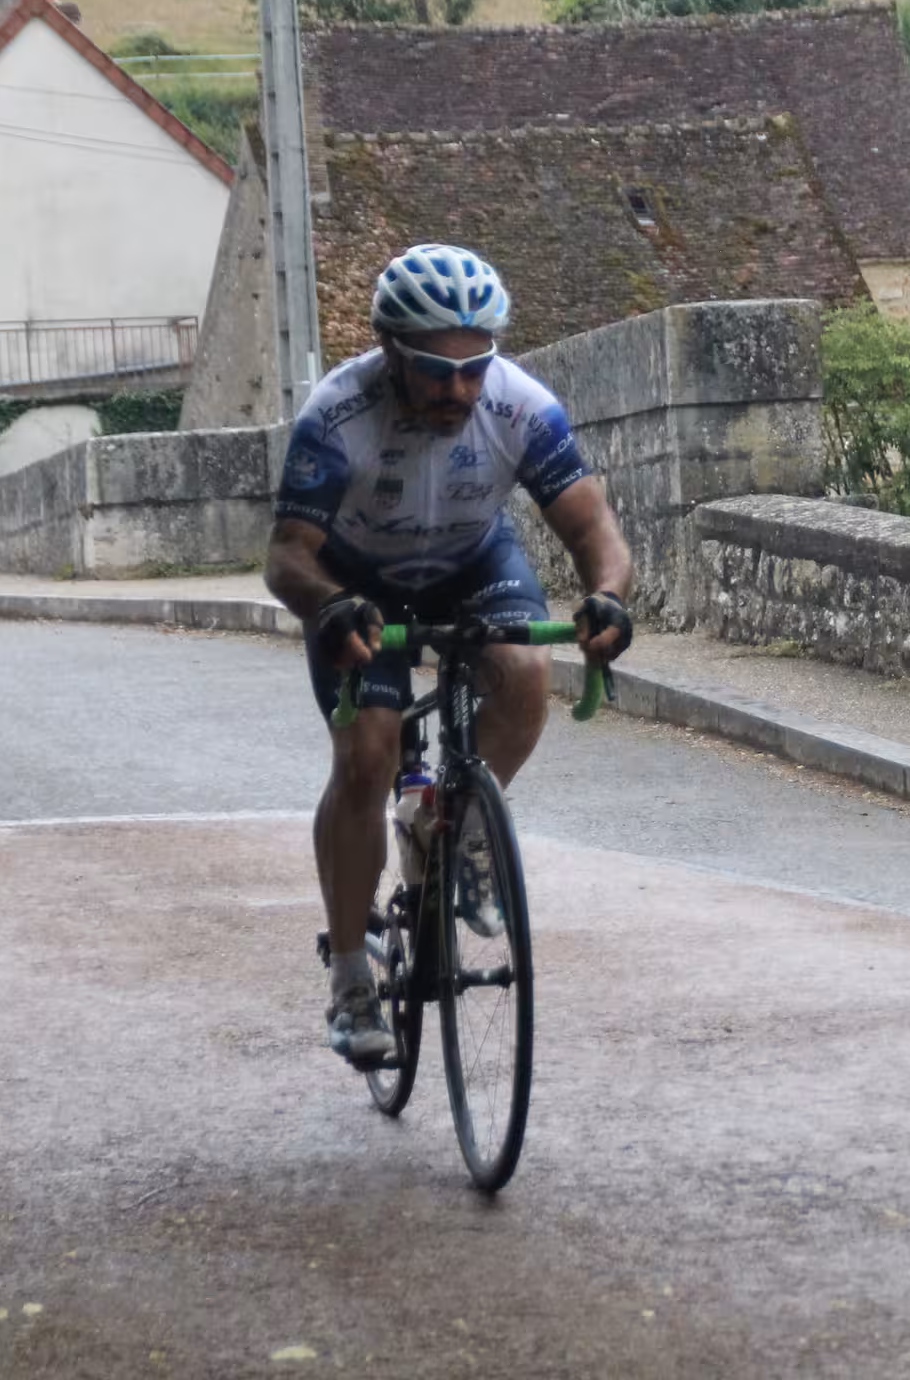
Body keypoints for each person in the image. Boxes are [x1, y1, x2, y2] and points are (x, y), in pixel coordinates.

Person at [265, 244, 635, 1067]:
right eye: (437, 372)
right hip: (357, 582)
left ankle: (457, 829)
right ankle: (351, 977)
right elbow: (286, 556)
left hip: (472, 562)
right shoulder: (336, 414)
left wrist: (608, 594)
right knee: (367, 753)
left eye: (475, 369)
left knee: (526, 670)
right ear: (390, 350)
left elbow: (591, 527)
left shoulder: (521, 407)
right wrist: (329, 604)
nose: (459, 391)